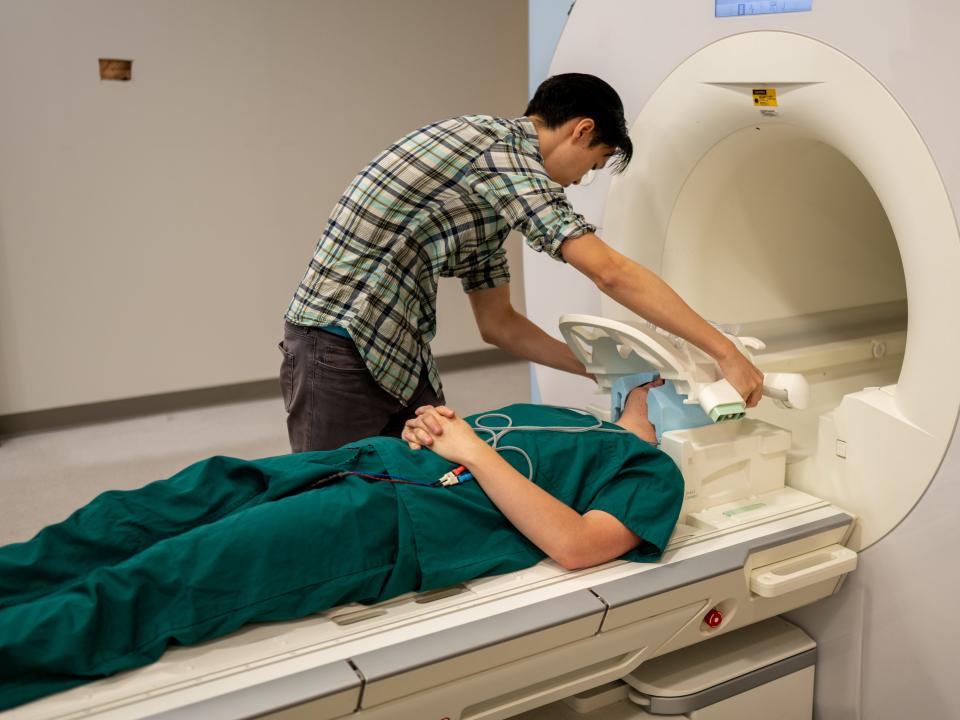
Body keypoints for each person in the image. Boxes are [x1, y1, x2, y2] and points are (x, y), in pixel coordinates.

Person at [0, 381, 682, 711]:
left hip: (388, 520)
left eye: (673, 388)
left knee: (167, 576)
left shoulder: (653, 472)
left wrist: (469, 448)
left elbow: (577, 544)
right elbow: (467, 443)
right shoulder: (575, 415)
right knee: (126, 519)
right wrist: (431, 429)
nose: (656, 389)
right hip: (361, 461)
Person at [280, 73, 764, 452]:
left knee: (429, 481)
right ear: (582, 130)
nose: (579, 182)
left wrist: (611, 373)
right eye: (593, 166)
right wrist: (724, 351)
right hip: (337, 340)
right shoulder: (498, 149)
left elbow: (499, 325)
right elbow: (609, 270)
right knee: (330, 497)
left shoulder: (490, 199)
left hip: (397, 352)